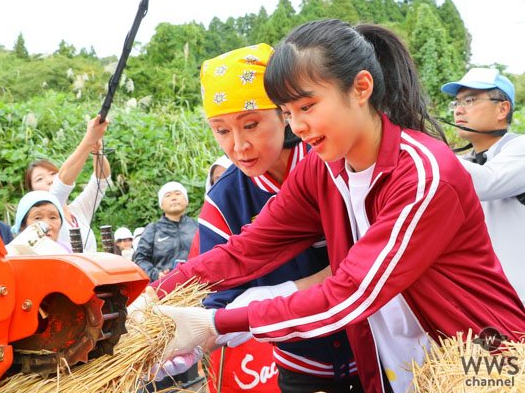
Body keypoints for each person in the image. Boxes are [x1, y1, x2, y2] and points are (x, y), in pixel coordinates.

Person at [136, 20, 525, 393]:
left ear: (360, 88)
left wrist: (215, 323)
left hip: (481, 366)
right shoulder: (323, 171)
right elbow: (249, 248)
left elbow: (350, 293)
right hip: (398, 370)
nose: (298, 126)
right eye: (288, 113)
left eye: (307, 106)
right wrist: (154, 295)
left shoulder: (423, 175)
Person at [191, 44, 358, 393]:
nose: (239, 146)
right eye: (221, 131)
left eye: (250, 124)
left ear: (284, 114)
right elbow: (214, 291)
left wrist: (274, 296)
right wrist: (187, 331)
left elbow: (364, 263)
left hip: (377, 351)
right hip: (301, 366)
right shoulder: (225, 200)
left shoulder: (335, 161)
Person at [441, 68, 525, 304]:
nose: (458, 109)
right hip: (485, 303)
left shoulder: (520, 148)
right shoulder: (467, 162)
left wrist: (429, 150)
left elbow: (486, 182)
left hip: (518, 302)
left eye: (469, 100)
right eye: (456, 102)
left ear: (503, 109)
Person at [25, 115, 111, 252]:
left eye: (53, 174)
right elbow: (62, 183)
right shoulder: (46, 216)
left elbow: (101, 181)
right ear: (32, 191)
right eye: (39, 179)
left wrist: (96, 151)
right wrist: (89, 139)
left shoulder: (78, 211)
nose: (49, 180)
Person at [133, 182, 197, 282]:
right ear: (161, 205)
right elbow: (140, 260)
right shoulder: (153, 230)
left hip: (197, 287)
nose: (174, 198)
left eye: (178, 194)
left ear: (186, 201)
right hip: (162, 289)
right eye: (168, 195)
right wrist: (156, 275)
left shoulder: (198, 228)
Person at [8, 190, 71, 256]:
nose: (47, 226)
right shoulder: (13, 255)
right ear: (22, 226)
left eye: (53, 217)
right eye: (37, 218)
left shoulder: (69, 251)